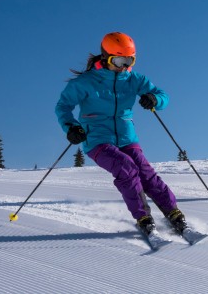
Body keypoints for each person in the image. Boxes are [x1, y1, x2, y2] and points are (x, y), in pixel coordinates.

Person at [56, 32, 188, 237]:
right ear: (106, 57)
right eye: (119, 60)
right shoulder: (85, 82)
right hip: (97, 140)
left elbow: (164, 96)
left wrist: (154, 99)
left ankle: (173, 213)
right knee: (125, 168)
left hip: (127, 137)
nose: (124, 66)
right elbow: (63, 106)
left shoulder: (134, 79)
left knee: (145, 173)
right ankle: (143, 217)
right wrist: (71, 127)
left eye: (129, 60)